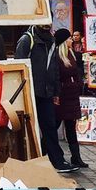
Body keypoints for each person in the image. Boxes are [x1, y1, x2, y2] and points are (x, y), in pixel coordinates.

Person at [16, 24, 66, 170]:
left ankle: (57, 160)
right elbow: (19, 66)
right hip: (31, 91)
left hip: (47, 91)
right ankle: (33, 160)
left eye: (48, 22)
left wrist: (56, 91)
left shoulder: (51, 40)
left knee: (50, 126)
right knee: (30, 127)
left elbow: (54, 68)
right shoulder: (27, 39)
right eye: (43, 21)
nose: (46, 25)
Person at [56, 33, 88, 171]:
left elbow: (77, 71)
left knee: (71, 125)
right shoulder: (57, 56)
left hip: (72, 93)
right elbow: (57, 75)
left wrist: (78, 83)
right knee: (55, 123)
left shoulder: (73, 54)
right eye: (68, 38)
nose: (71, 40)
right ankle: (47, 152)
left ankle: (76, 156)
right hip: (63, 93)